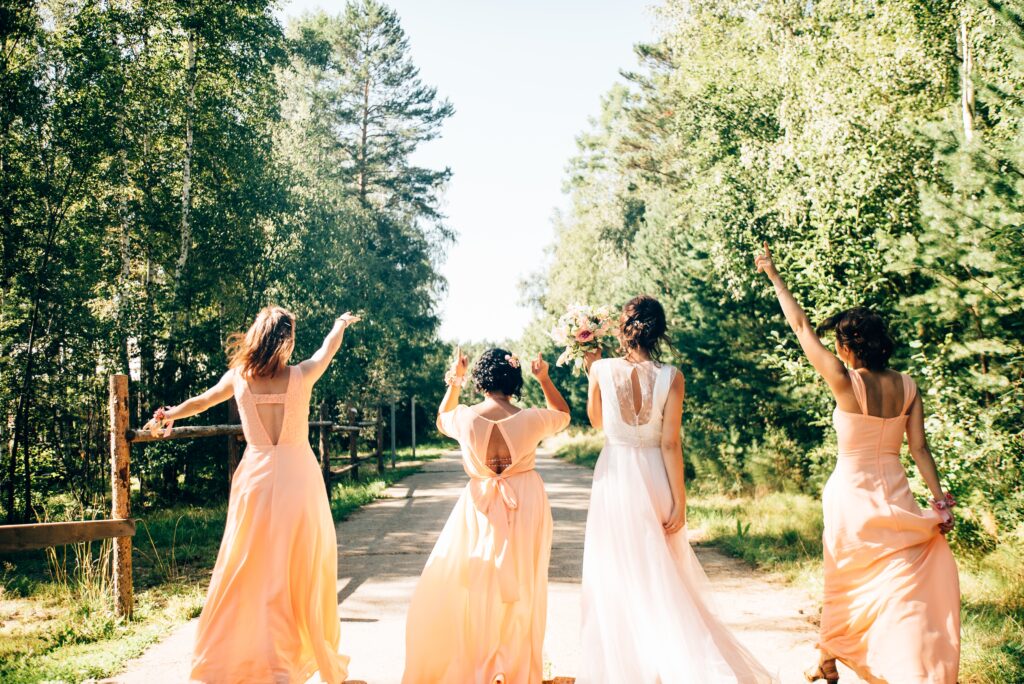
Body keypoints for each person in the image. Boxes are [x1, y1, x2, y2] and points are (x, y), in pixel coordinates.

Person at [755, 243, 960, 684]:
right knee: (896, 585)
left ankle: (831, 662)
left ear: (848, 346)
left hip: (851, 497)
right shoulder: (908, 385)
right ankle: (832, 661)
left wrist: (774, 275)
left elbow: (799, 324)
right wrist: (939, 501)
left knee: (844, 578)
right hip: (896, 495)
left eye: (839, 343)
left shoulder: (845, 381)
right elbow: (920, 449)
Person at [144, 306, 360, 684]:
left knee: (249, 566)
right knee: (302, 568)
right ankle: (290, 662)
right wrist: (340, 324)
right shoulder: (302, 375)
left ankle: (251, 658)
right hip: (298, 479)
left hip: (257, 478)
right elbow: (328, 348)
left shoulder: (238, 379)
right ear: (286, 340)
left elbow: (203, 401)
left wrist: (171, 413)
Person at [578, 295, 776, 683]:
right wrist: (680, 503)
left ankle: (632, 667)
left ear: (623, 329)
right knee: (661, 573)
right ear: (659, 331)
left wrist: (591, 374)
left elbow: (597, 422)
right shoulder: (672, 377)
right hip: (654, 475)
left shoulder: (600, 368)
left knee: (617, 572)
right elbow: (670, 443)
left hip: (615, 476)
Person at [402, 348, 571, 684]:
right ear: (514, 379)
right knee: (523, 586)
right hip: (524, 503)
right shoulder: (533, 418)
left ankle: (482, 664)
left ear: (481, 381)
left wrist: (456, 379)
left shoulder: (464, 417)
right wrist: (545, 377)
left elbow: (441, 416)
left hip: (479, 505)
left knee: (478, 584)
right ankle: (515, 667)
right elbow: (563, 414)